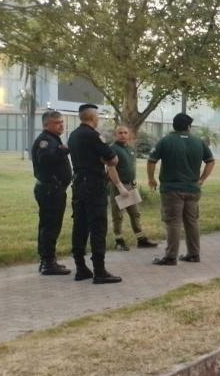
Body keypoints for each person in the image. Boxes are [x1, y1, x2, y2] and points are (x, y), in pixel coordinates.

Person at [67, 104, 127, 284]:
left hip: (78, 184)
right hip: (94, 185)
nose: (98, 118)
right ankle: (99, 270)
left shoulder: (74, 135)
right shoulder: (93, 135)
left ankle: (80, 267)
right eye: (98, 116)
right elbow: (112, 159)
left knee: (80, 225)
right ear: (93, 117)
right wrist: (106, 159)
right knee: (98, 226)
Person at [147, 113, 215, 265]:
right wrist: (202, 178)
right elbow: (210, 161)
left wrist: (151, 178)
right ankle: (194, 254)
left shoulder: (165, 141)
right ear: (188, 126)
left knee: (173, 222)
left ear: (174, 125)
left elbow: (151, 160)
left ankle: (171, 256)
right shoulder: (199, 142)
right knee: (192, 221)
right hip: (193, 188)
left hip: (172, 189)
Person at [31, 110, 73, 276]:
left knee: (51, 225)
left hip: (54, 189)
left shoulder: (53, 139)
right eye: (57, 123)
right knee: (50, 226)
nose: (61, 125)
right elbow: (45, 159)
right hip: (50, 190)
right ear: (46, 124)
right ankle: (48, 262)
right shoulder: (45, 141)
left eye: (62, 122)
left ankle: (48, 260)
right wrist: (63, 150)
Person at [108, 125, 155, 251]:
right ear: (115, 135)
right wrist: (120, 186)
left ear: (129, 135)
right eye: (120, 133)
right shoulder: (112, 149)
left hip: (130, 185)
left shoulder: (130, 148)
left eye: (125, 133)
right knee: (118, 215)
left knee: (135, 213)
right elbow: (110, 169)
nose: (123, 135)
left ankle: (141, 239)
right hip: (119, 185)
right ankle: (119, 241)